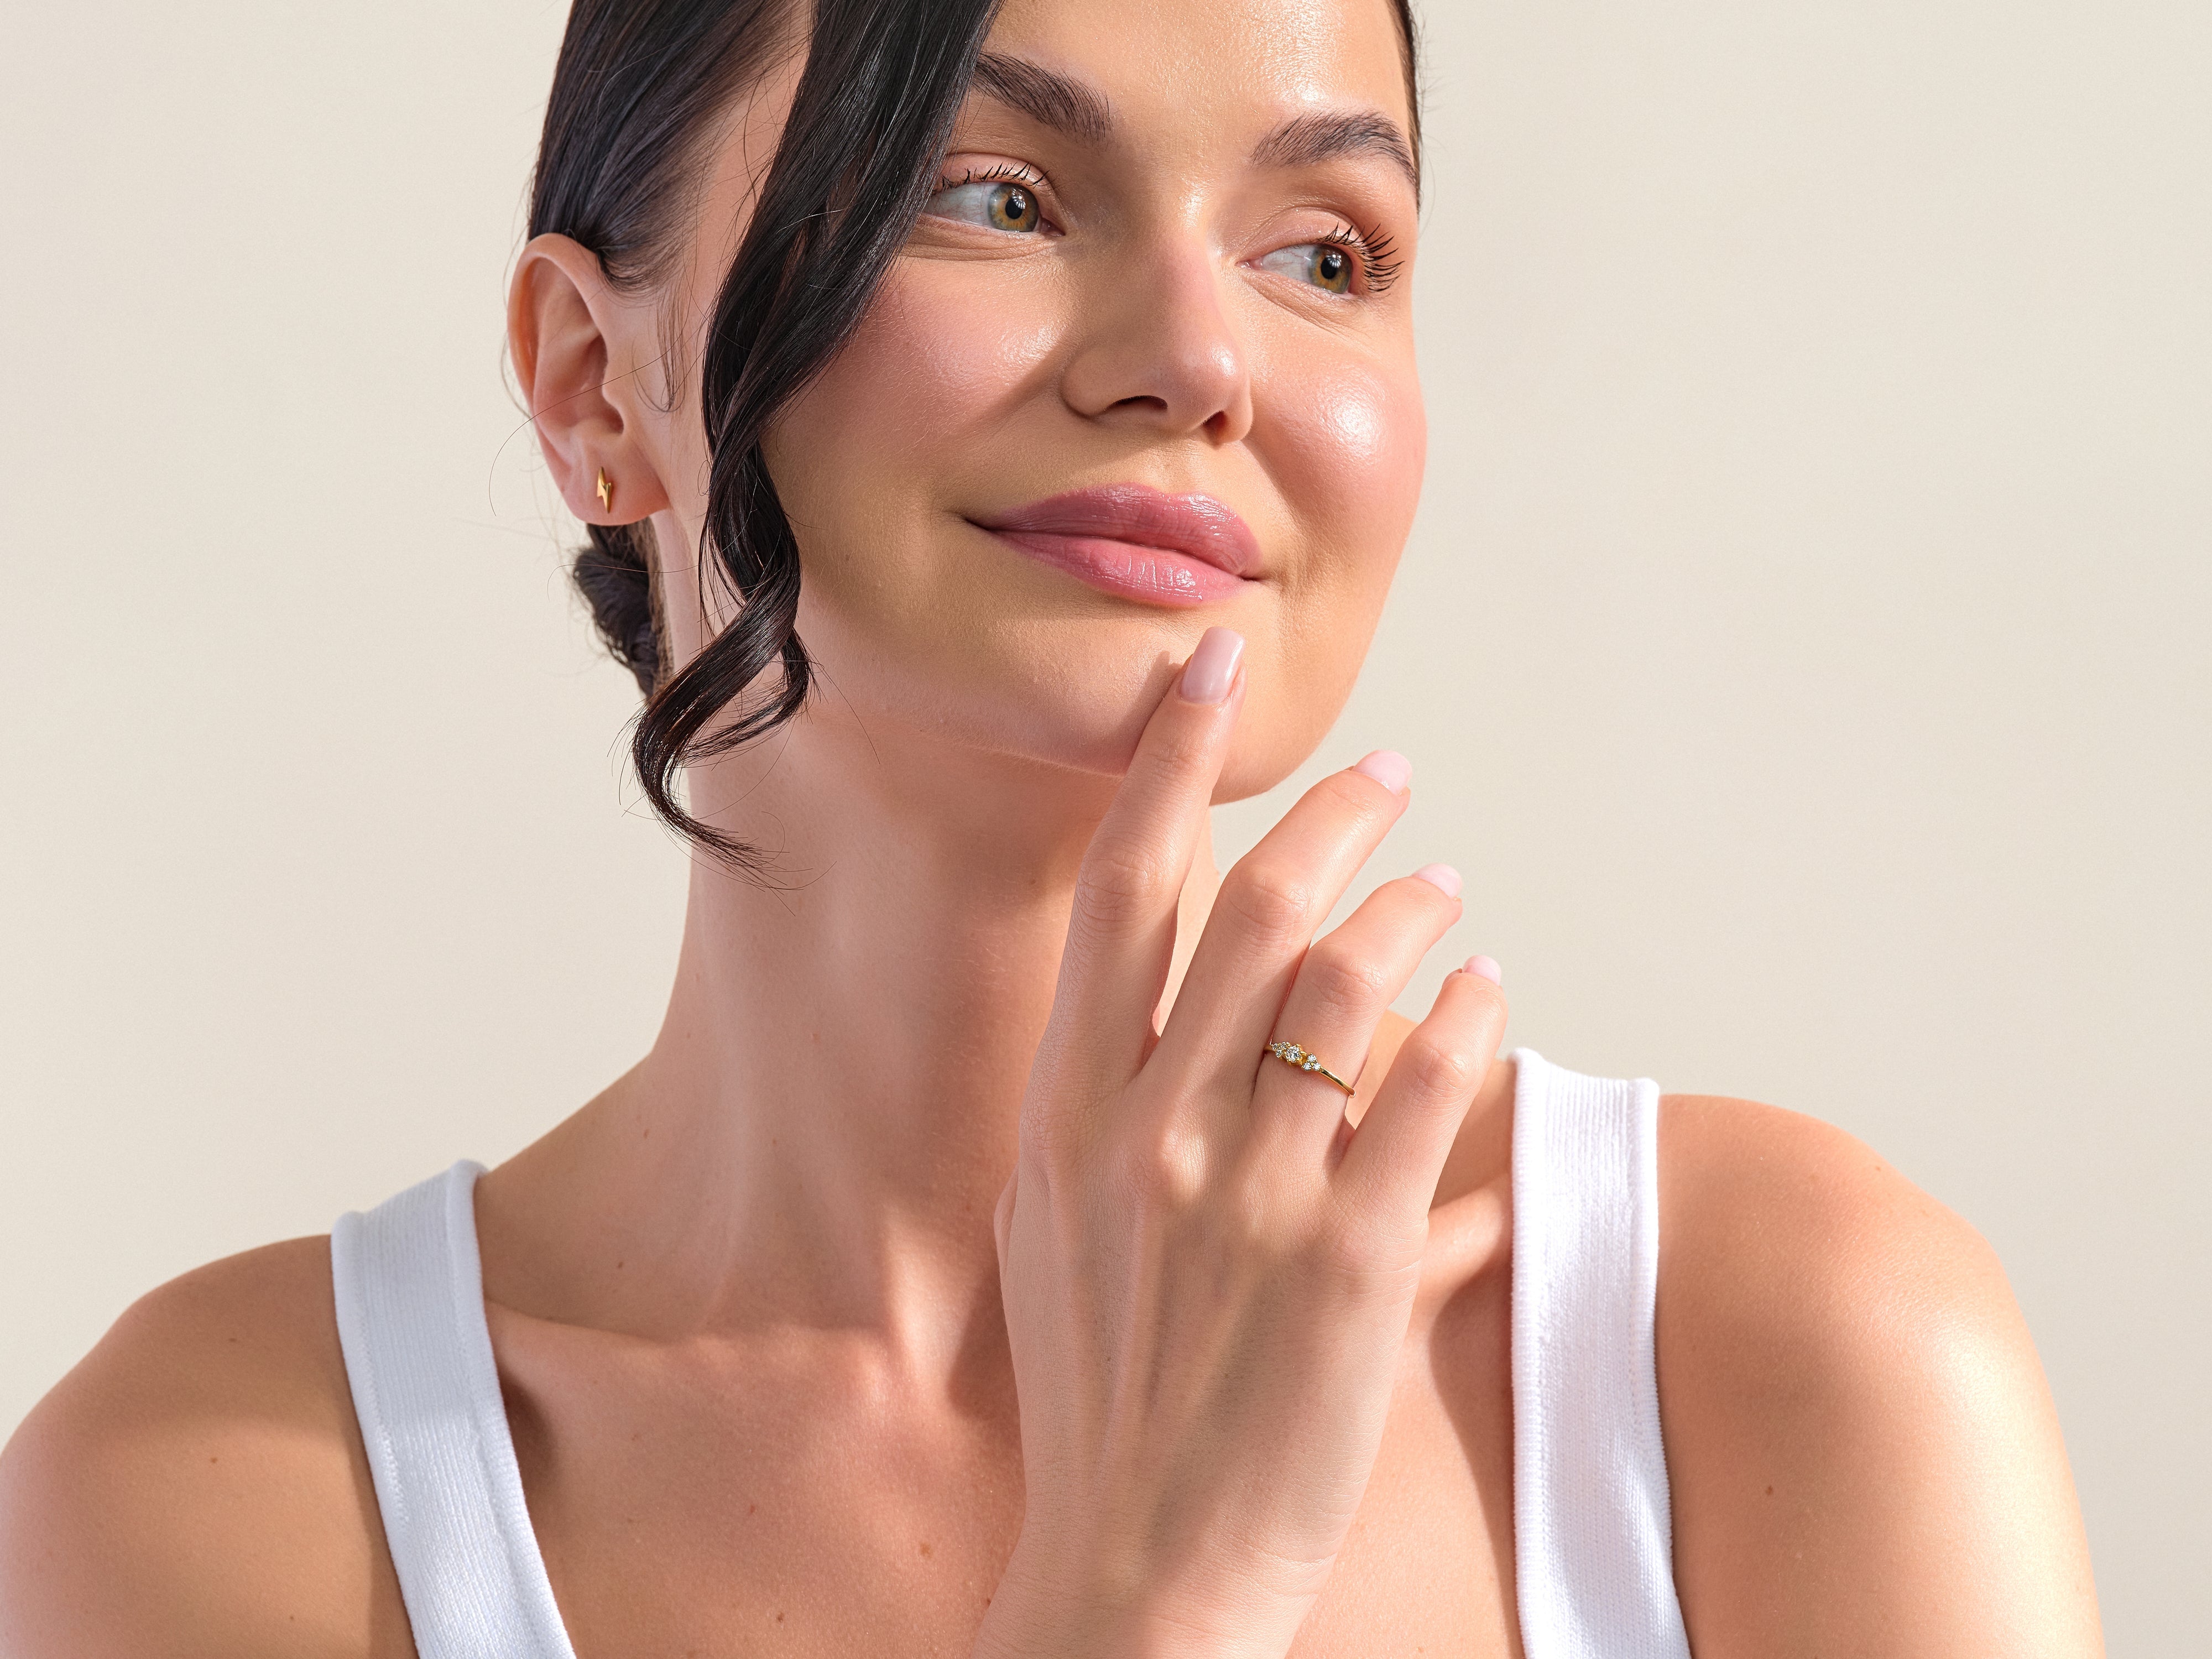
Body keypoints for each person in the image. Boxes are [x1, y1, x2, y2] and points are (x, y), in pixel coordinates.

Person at [0, 0, 2104, 1653]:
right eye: (992, 193)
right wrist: (1139, 1604)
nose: (1204, 361)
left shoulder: (1769, 1345)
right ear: (589, 382)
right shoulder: (242, 1485)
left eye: (1321, 251)